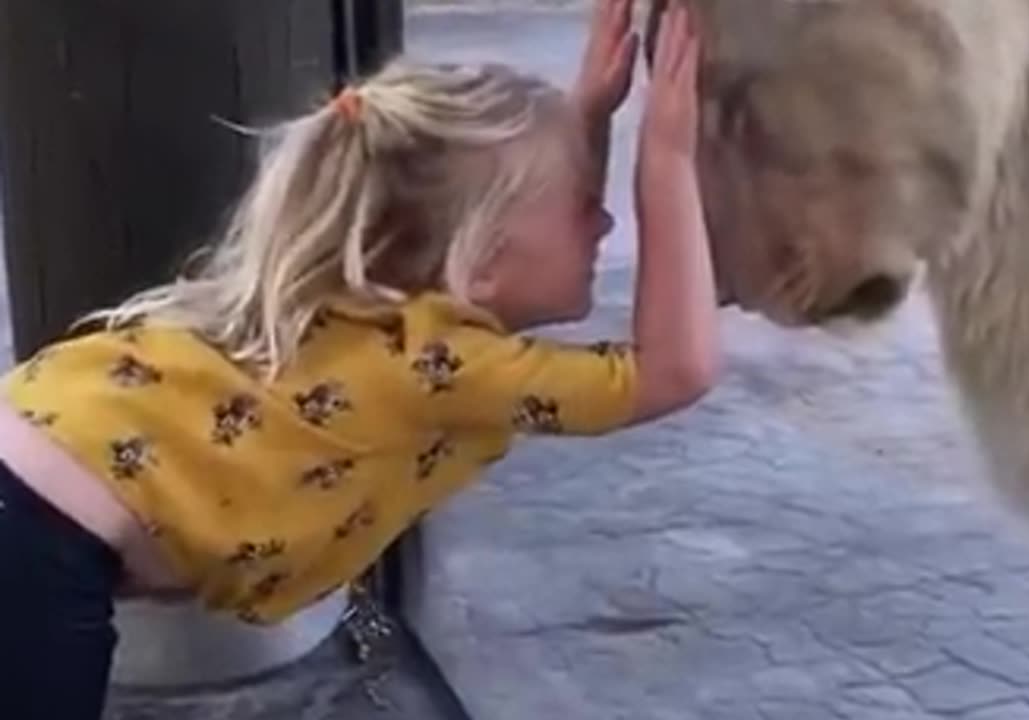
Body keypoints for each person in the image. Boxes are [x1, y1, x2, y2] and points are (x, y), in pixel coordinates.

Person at [0, 1, 714, 717]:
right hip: (34, 543)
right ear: (483, 257)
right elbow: (671, 371)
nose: (607, 222)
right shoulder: (439, 362)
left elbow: (516, 236)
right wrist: (667, 159)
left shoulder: (369, 313)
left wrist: (586, 114)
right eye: (585, 203)